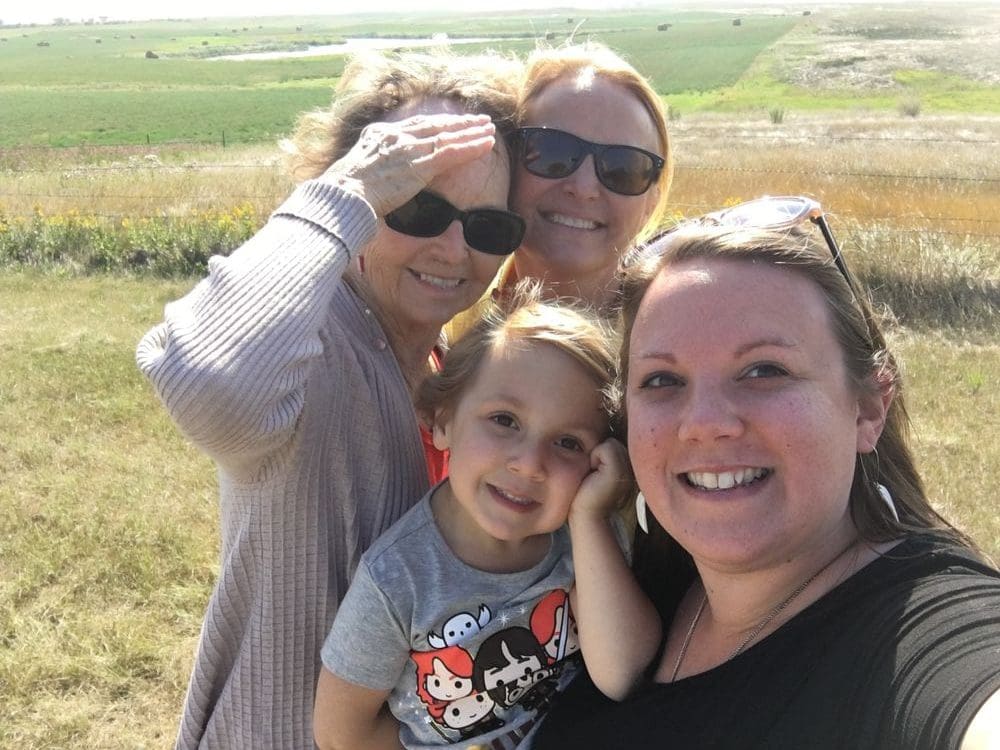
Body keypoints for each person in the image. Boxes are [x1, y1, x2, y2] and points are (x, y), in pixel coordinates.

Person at [135, 50, 523, 749]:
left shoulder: (442, 370)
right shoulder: (319, 343)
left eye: (488, 227)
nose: (452, 248)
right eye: (415, 204)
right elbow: (209, 381)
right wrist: (343, 191)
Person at [531, 200, 1000, 749]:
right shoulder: (638, 581)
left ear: (869, 409)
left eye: (764, 370)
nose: (704, 424)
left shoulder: (923, 632)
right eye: (661, 381)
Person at [312, 286, 654, 749]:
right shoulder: (397, 579)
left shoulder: (584, 534)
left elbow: (623, 674)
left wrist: (591, 521)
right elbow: (340, 734)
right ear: (443, 420)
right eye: (504, 420)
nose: (529, 464)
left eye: (568, 442)